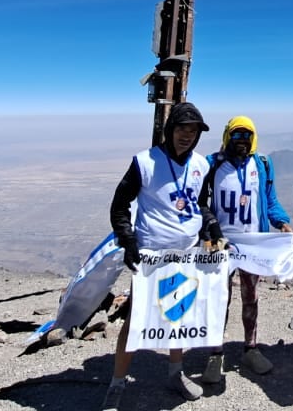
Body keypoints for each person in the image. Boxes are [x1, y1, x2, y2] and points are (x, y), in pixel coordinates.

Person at [104, 102, 224, 409]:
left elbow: (200, 204)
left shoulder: (201, 165)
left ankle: (175, 373)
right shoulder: (145, 162)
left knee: (178, 315)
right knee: (136, 319)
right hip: (151, 257)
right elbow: (120, 204)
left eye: (193, 130)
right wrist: (127, 239)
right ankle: (117, 384)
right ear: (170, 129)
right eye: (182, 128)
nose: (187, 135)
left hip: (187, 255)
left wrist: (210, 224)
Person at [196, 115, 292, 382]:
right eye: (236, 135)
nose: (242, 140)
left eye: (247, 135)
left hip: (253, 244)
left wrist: (282, 222)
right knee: (219, 298)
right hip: (220, 245)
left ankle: (251, 348)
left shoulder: (262, 164)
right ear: (227, 136)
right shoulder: (212, 164)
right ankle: (215, 354)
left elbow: (269, 200)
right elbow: (200, 202)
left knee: (251, 297)